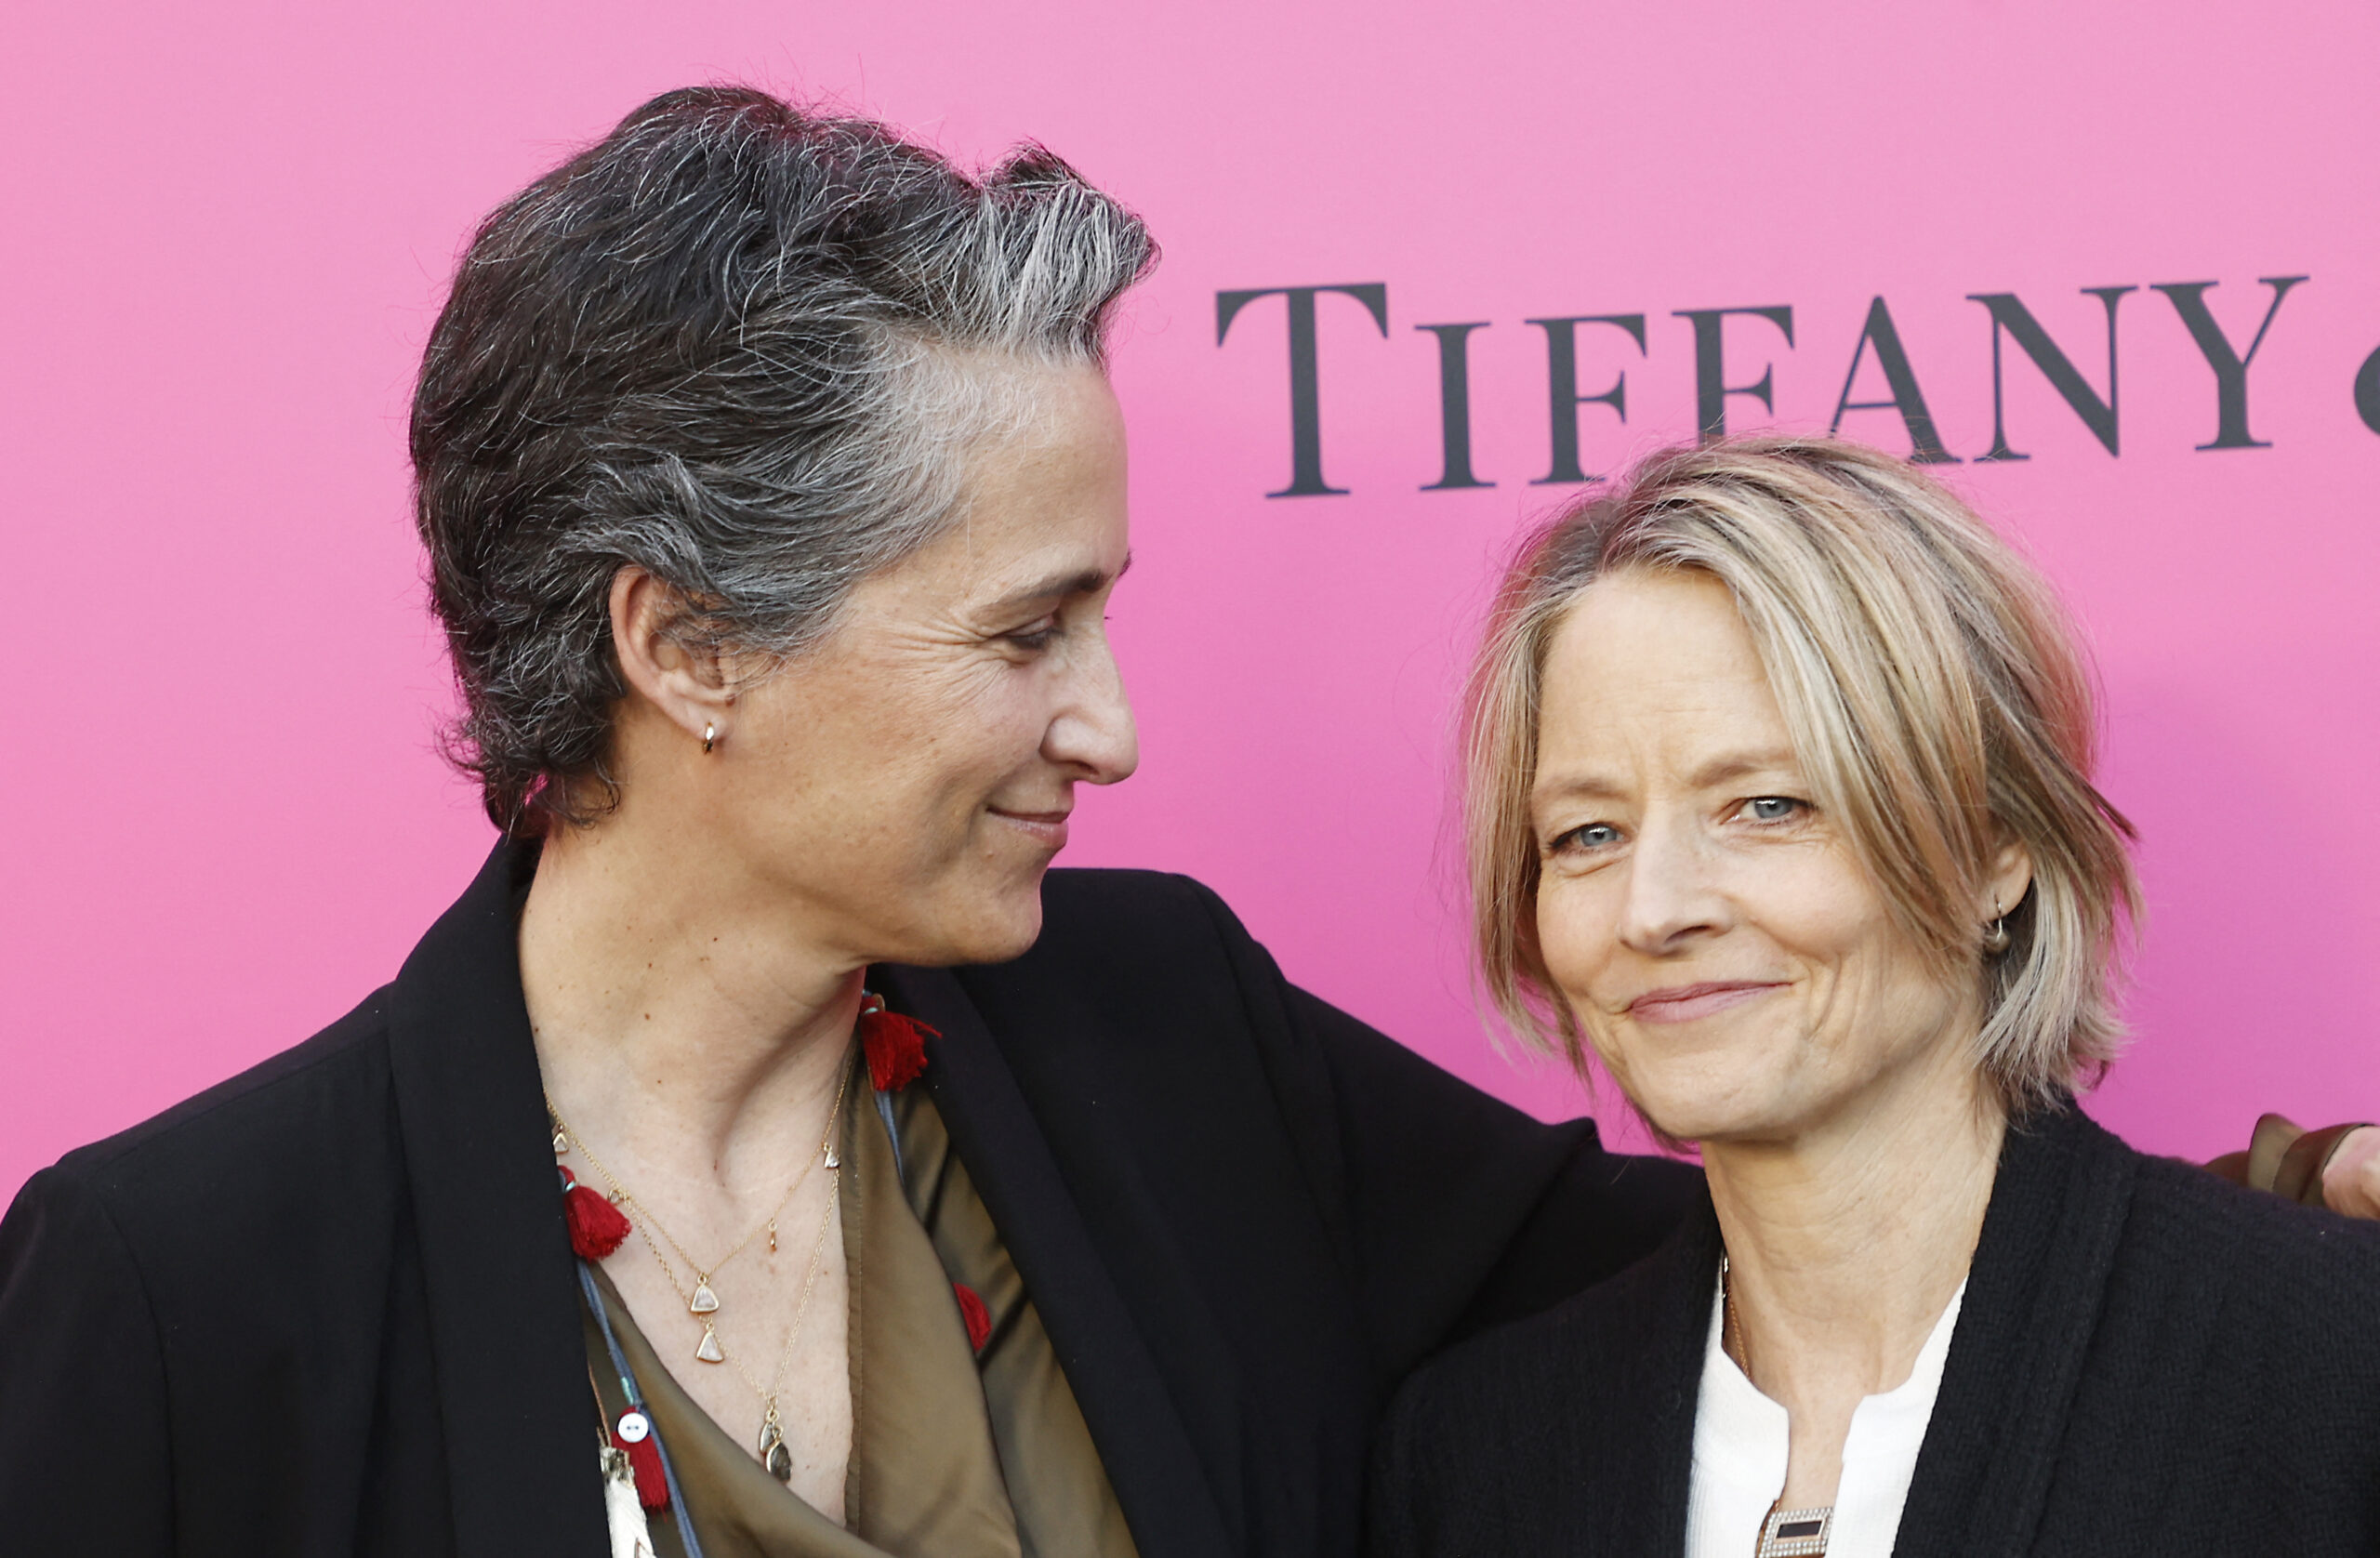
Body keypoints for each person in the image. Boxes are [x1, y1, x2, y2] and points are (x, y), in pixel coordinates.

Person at [0, 94, 2365, 1558]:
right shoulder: (188, 1290)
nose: (1109, 725)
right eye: (1023, 631)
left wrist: (2291, 1232)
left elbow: (1796, 1218)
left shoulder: (1158, 1040)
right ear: (685, 647)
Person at [1367, 438, 2380, 1557]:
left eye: (1765, 805)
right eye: (1588, 833)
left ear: (1995, 847)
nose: (1651, 911)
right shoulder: (1477, 1457)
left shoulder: (2327, 1359)